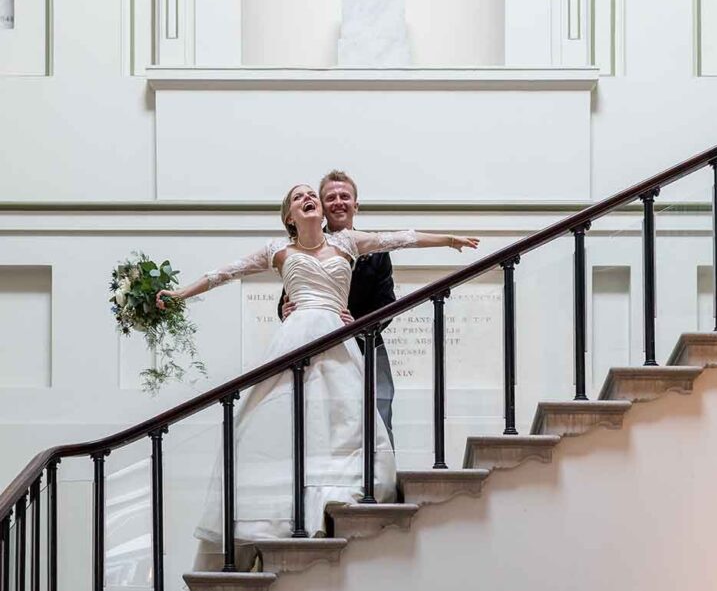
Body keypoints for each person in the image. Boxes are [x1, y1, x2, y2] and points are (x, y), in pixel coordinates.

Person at [157, 183, 478, 541]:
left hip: (336, 336)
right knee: (289, 417)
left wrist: (448, 239)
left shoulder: (347, 243)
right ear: (289, 217)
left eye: (311, 195)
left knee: (346, 416)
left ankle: (339, 494)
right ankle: (285, 507)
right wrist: (181, 293)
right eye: (298, 197)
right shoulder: (276, 249)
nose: (308, 199)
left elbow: (401, 238)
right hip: (294, 337)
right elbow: (226, 273)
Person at [278, 170, 397, 443]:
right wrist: (284, 311)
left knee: (380, 411)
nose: (338, 202)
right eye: (330, 197)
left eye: (345, 196)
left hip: (368, 346)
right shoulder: (303, 246)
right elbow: (290, 298)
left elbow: (387, 302)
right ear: (321, 206)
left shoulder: (376, 251)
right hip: (319, 348)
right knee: (320, 417)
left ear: (356, 204)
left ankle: (380, 482)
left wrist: (357, 325)